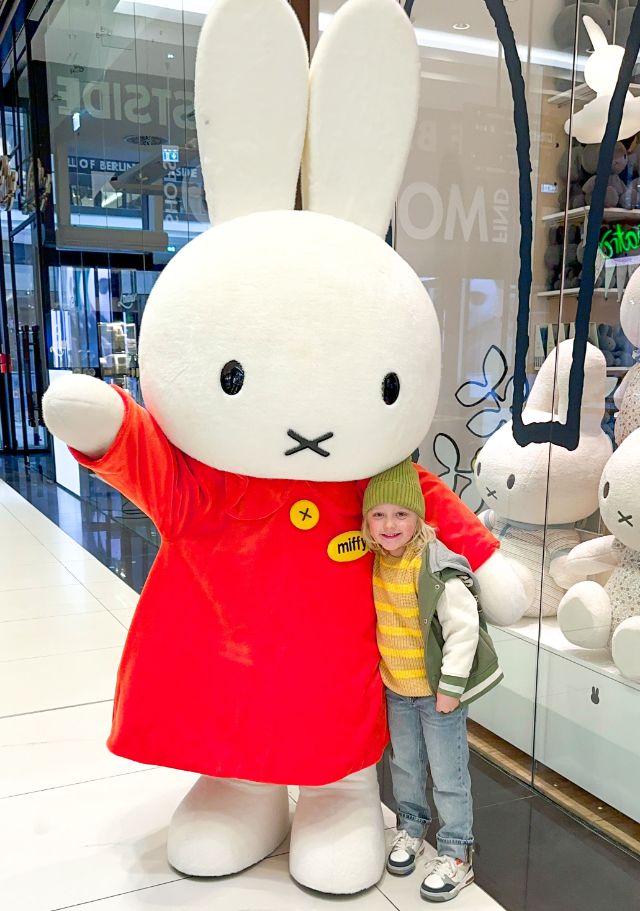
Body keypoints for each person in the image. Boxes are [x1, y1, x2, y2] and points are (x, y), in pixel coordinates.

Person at [362, 459, 503, 903]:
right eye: (378, 514)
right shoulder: (375, 560)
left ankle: (457, 851)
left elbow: (462, 630)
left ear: (419, 517)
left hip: (439, 691)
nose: (389, 524)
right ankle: (409, 827)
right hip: (397, 689)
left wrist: (450, 689)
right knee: (404, 765)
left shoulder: (436, 564)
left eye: (400, 514)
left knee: (447, 773)